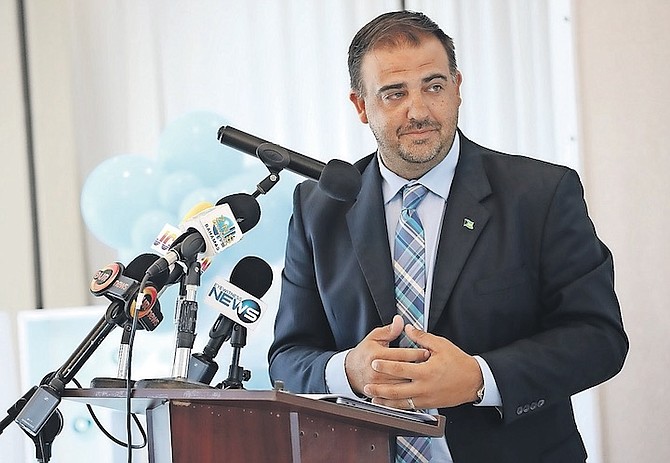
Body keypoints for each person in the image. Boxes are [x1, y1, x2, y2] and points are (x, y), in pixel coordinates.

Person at [268, 10, 628, 463]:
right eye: (394, 93)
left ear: (458, 87)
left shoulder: (541, 194)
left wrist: (481, 378)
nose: (418, 110)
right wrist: (348, 372)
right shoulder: (319, 207)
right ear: (360, 106)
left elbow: (599, 338)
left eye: (434, 86)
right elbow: (287, 357)